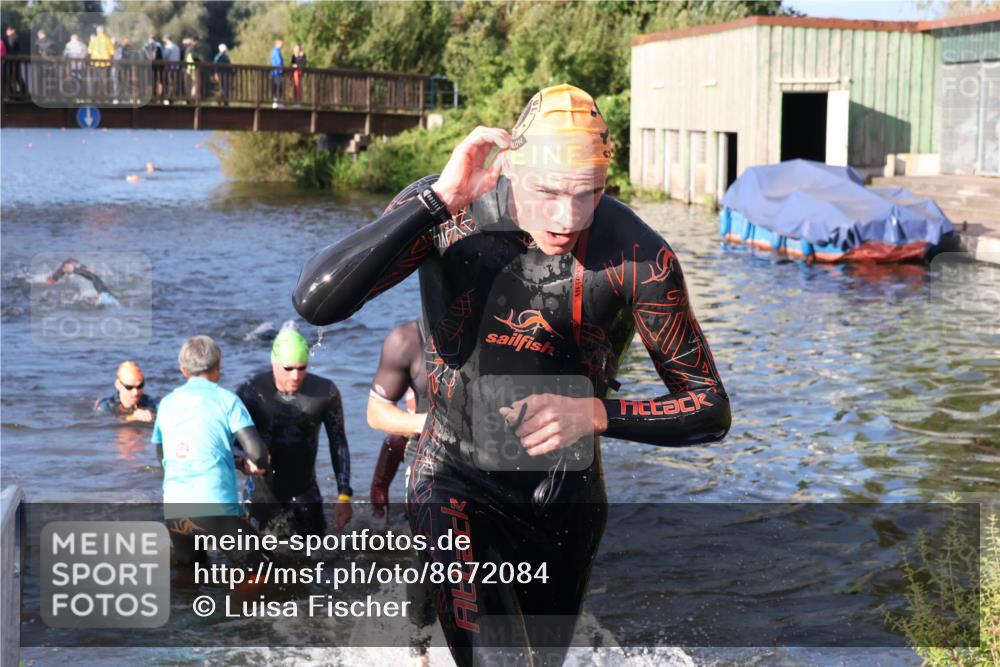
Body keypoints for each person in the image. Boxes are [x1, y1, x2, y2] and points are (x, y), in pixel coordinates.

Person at [294, 83, 731, 666]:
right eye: (548, 192)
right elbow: (316, 302)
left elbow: (708, 407)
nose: (567, 218)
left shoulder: (638, 257)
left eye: (588, 195)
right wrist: (438, 198)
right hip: (453, 475)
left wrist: (596, 413)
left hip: (563, 500)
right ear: (511, 169)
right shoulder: (449, 211)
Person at [152, 335, 270, 564]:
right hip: (215, 506)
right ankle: (235, 602)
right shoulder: (227, 400)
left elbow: (162, 455)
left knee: (190, 575)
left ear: (183, 370)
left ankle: (193, 601)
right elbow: (258, 453)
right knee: (266, 569)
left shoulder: (166, 403)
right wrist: (253, 466)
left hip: (175, 508)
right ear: (218, 366)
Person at [236, 328, 353, 537]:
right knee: (255, 560)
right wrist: (243, 461)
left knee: (319, 559)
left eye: (302, 368)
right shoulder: (252, 391)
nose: (296, 375)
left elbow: (339, 443)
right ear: (274, 362)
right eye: (288, 368)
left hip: (306, 492)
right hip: (261, 494)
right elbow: (231, 441)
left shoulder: (325, 391)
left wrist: (344, 496)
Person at [368, 319, 436, 665]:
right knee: (428, 557)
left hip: (493, 463)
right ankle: (419, 651)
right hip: (428, 460)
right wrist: (379, 484)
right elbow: (379, 416)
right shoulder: (408, 338)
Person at [46, 258, 119, 306]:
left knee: (70, 262)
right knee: (70, 262)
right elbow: (94, 278)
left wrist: (75, 270)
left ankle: (53, 279)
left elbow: (93, 278)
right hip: (104, 294)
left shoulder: (105, 297)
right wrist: (74, 270)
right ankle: (53, 279)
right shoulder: (105, 296)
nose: (94, 298)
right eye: (95, 298)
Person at [160, 34, 180, 102]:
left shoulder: (168, 47)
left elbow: (164, 57)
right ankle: (172, 98)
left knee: (168, 83)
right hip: (176, 68)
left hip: (168, 68)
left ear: (166, 39)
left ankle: (168, 97)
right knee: (173, 83)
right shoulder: (177, 47)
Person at [269, 38, 283, 107]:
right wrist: (281, 70)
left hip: (276, 72)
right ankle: (277, 102)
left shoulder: (274, 51)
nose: (282, 45)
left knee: (277, 86)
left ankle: (276, 101)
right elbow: (278, 62)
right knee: (278, 86)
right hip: (277, 72)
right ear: (277, 43)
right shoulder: (276, 51)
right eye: (281, 43)